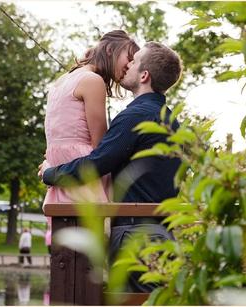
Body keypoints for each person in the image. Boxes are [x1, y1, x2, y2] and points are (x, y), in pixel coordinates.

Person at [39, 42, 183, 292]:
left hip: (135, 234)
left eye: (134, 61)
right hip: (163, 233)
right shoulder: (169, 118)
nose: (127, 65)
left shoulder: (135, 116)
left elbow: (97, 163)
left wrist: (51, 173)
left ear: (144, 75)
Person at [42, 30, 140, 242]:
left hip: (60, 166)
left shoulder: (61, 81)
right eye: (129, 57)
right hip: (84, 173)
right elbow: (100, 145)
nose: (130, 65)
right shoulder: (92, 81)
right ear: (109, 50)